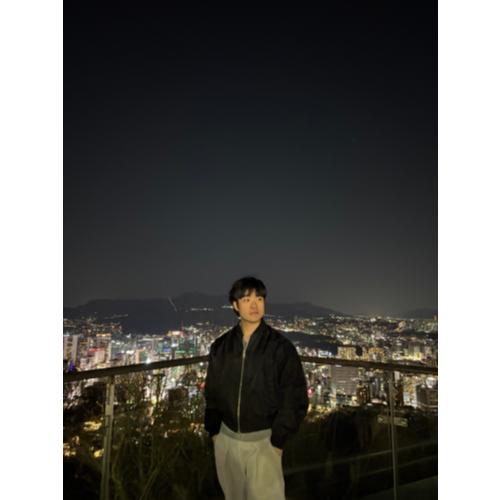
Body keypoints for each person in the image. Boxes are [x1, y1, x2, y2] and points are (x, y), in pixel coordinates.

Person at [204, 276, 309, 500]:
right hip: (226, 440)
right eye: (247, 299)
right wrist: (215, 433)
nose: (254, 305)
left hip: (264, 443)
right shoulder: (221, 346)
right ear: (235, 305)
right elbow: (212, 391)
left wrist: (277, 442)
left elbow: (294, 396)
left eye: (259, 299)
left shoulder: (280, 348)